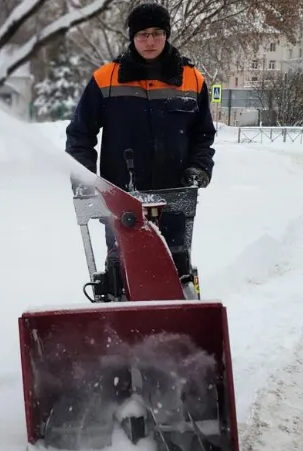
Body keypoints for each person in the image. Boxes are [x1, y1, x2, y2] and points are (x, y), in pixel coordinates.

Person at [64, 2, 216, 280]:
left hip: (175, 197)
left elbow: (203, 134)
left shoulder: (192, 80)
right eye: (142, 34)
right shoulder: (105, 79)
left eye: (157, 33)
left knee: (174, 269)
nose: (150, 41)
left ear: (167, 35)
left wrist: (200, 167)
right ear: (132, 37)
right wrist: (84, 177)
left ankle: (177, 318)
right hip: (121, 198)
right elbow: (80, 134)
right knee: (122, 270)